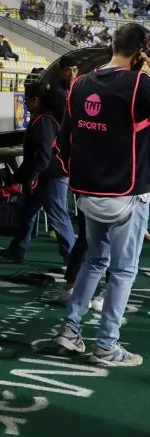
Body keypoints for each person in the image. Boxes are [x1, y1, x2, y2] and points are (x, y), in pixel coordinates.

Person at [53, 22, 150, 367]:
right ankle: (107, 346)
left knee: (95, 261)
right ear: (141, 51)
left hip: (86, 194)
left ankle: (70, 329)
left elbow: (61, 143)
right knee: (123, 272)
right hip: (126, 196)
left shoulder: (80, 85)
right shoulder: (140, 85)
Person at [0, 81, 75, 263]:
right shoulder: (46, 118)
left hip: (50, 176)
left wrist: (29, 176)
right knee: (26, 213)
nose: (25, 102)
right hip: (46, 174)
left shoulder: (43, 121)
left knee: (58, 217)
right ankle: (17, 251)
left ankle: (72, 260)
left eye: (27, 99)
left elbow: (43, 155)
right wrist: (19, 177)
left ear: (36, 100)